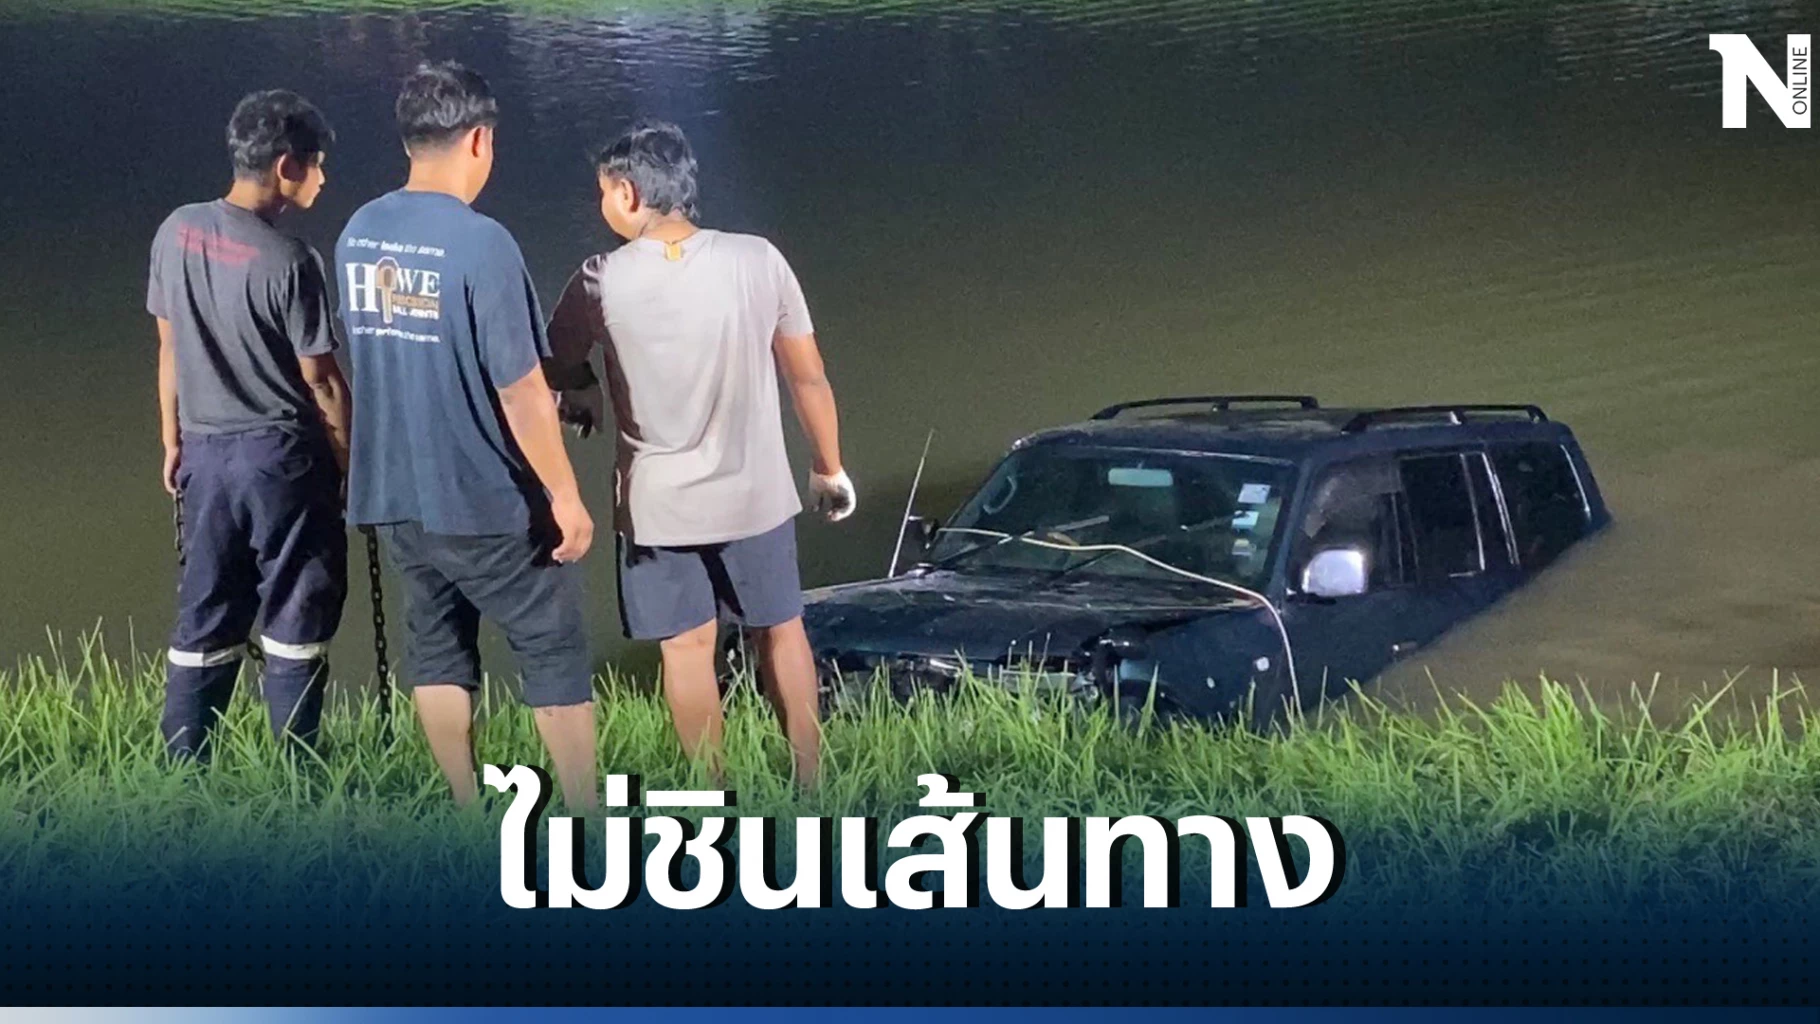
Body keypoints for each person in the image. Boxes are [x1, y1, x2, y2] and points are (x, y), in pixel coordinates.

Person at [544, 120, 855, 790]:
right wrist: (829, 466)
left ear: (628, 194)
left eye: (603, 191)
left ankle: (712, 795)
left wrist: (582, 389)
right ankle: (811, 782)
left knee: (686, 649)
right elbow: (808, 377)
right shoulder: (759, 259)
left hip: (659, 510)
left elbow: (556, 360)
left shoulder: (601, 278)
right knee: (781, 630)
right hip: (757, 495)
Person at [336, 62, 599, 810]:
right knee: (551, 647)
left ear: (410, 139)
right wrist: (564, 495)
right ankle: (583, 812)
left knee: (437, 647)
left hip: (395, 492)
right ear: (479, 139)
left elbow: (383, 352)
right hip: (483, 497)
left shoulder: (358, 233)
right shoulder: (483, 243)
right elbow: (520, 389)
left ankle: (463, 802)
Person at [148, 89, 350, 762]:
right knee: (296, 609)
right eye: (316, 164)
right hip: (280, 459)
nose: (322, 178)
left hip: (204, 453)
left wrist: (173, 441)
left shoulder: (176, 231)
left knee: (206, 610)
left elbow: (169, 346)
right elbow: (321, 380)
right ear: (286, 165)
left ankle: (183, 767)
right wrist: (347, 460)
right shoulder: (292, 260)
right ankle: (298, 770)